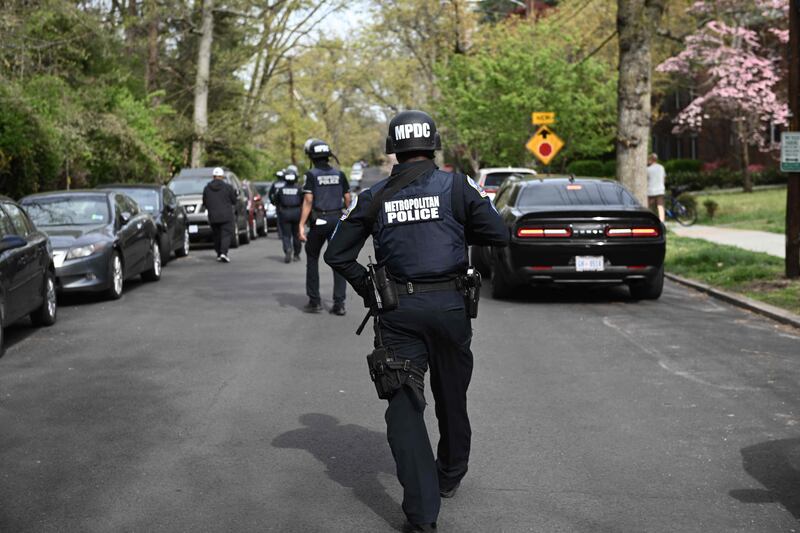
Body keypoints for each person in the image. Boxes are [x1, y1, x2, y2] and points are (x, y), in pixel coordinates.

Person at [324, 110, 509, 531]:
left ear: (393, 149)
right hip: (450, 308)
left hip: (398, 312)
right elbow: (496, 232)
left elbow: (336, 254)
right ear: (432, 144)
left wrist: (369, 289)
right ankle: (450, 474)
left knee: (404, 405)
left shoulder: (373, 197)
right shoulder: (458, 186)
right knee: (451, 394)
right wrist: (457, 226)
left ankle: (423, 515)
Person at [298, 138, 350, 315]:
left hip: (319, 221)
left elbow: (308, 200)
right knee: (338, 261)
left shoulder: (311, 175)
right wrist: (346, 216)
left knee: (312, 258)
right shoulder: (339, 174)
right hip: (337, 220)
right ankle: (339, 304)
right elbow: (348, 198)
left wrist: (301, 225)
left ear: (312, 156)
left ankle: (315, 301)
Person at [202, 167, 237, 263]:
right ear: (222, 177)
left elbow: (204, 202)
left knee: (216, 235)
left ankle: (218, 253)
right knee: (226, 234)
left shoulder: (207, 188)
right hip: (226, 215)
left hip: (213, 216)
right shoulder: (228, 188)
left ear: (213, 176)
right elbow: (234, 201)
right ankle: (223, 253)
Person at [275, 170, 303, 263]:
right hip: (297, 212)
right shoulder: (299, 189)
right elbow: (303, 201)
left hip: (285, 212)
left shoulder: (281, 189)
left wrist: (280, 210)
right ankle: (296, 255)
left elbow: (276, 201)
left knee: (286, 235)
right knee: (296, 234)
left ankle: (288, 249)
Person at [647, 153, 666, 222]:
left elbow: (646, 180)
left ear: (651, 160)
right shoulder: (661, 167)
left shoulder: (648, 169)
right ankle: (662, 221)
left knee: (649, 206)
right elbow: (664, 179)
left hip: (650, 190)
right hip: (660, 189)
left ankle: (649, 219)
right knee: (660, 206)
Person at [269, 169, 287, 239]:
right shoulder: (286, 183)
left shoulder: (275, 184)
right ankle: (286, 233)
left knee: (279, 220)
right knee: (285, 219)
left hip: (278, 204)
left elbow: (270, 194)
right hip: (286, 204)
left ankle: (280, 234)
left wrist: (272, 202)